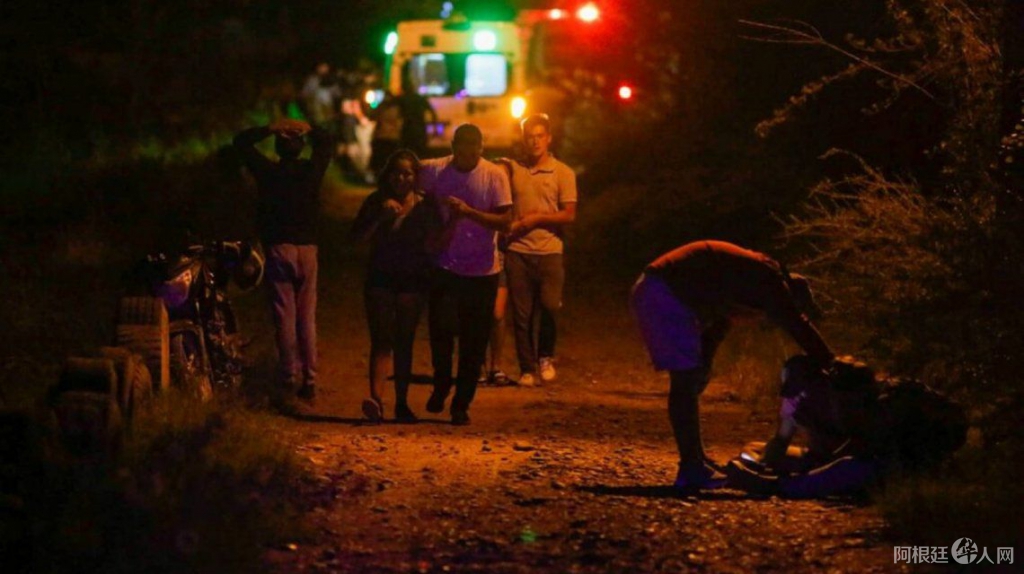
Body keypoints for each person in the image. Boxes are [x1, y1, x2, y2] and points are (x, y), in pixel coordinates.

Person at [630, 240, 836, 490]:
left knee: (690, 379)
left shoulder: (745, 279)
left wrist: (704, 362)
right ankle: (691, 469)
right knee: (684, 384)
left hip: (658, 290)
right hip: (664, 294)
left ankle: (696, 461)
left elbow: (718, 325)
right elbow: (798, 325)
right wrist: (833, 366)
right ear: (787, 293)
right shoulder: (768, 280)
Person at [726, 355, 968, 498]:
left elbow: (861, 449)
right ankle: (786, 481)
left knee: (851, 469)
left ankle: (778, 486)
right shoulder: (862, 403)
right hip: (898, 455)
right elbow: (852, 444)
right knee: (845, 466)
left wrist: (816, 458)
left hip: (916, 464)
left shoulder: (886, 404)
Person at [419, 124, 513, 425]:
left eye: (475, 145)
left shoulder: (494, 175)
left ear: (482, 148)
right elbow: (407, 173)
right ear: (453, 146)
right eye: (463, 145)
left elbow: (505, 220)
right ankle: (442, 382)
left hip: (482, 270)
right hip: (445, 266)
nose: (469, 151)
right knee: (442, 331)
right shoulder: (436, 171)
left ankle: (462, 403)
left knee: (474, 341)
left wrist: (469, 213)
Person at [233, 119, 332, 403]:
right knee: (307, 317)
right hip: (308, 249)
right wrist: (308, 127)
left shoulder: (268, 172)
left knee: (284, 315)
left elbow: (240, 142)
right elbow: (327, 143)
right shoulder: (312, 172)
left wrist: (270, 128)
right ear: (301, 148)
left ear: (278, 147)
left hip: (279, 248)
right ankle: (310, 379)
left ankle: (288, 375)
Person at [351, 150, 440, 423]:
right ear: (388, 175)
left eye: (408, 174)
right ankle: (376, 400)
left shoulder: (426, 206)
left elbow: (434, 242)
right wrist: (381, 218)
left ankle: (402, 403)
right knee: (381, 340)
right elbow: (356, 239)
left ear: (416, 177)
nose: (402, 179)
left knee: (405, 342)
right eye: (397, 173)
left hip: (412, 282)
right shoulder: (375, 202)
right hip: (380, 279)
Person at [504, 114, 578, 387]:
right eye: (530, 137)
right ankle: (526, 368)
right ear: (524, 139)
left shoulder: (563, 173)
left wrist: (536, 219)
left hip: (549, 251)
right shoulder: (513, 169)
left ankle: (545, 355)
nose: (535, 141)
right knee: (521, 314)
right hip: (518, 251)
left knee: (550, 306)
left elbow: (569, 214)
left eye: (539, 136)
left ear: (548, 138)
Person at [397, 76, 438, 158]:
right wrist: (434, 128)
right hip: (420, 130)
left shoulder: (402, 99)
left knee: (407, 155)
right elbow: (433, 113)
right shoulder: (420, 98)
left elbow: (396, 114)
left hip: (407, 130)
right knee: (421, 155)